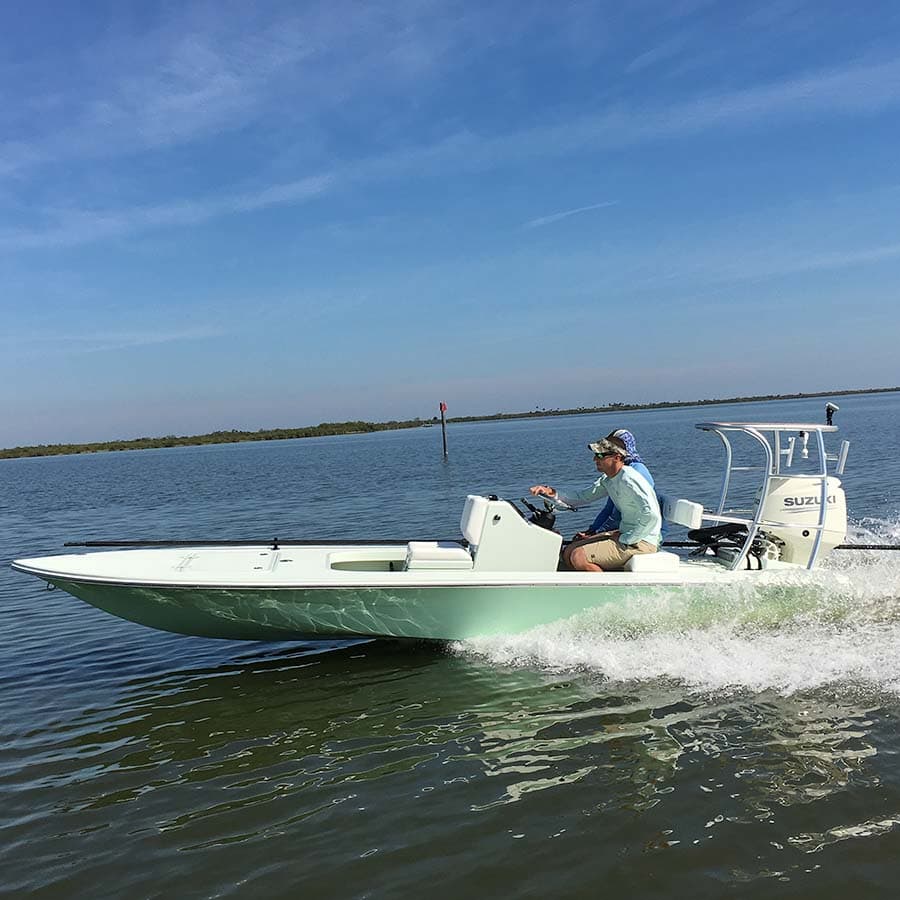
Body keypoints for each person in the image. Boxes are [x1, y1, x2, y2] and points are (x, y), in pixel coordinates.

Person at [530, 434, 661, 572]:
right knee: (569, 550)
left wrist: (627, 538)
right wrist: (550, 492)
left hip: (642, 541)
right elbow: (582, 497)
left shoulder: (630, 480)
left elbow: (652, 515)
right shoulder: (608, 479)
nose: (594, 459)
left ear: (617, 458)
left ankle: (608, 591)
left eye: (600, 456)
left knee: (579, 556)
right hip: (626, 534)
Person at [576, 428, 656, 540]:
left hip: (641, 534)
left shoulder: (633, 473)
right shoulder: (615, 474)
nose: (595, 458)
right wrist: (592, 530)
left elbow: (619, 515)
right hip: (624, 530)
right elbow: (608, 509)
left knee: (576, 552)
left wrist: (597, 533)